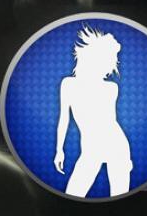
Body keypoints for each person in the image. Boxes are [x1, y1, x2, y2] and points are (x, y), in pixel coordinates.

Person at [54, 26, 132, 197]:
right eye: (110, 59)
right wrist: (59, 150)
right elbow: (64, 120)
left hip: (116, 146)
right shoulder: (68, 84)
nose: (111, 65)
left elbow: (109, 122)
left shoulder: (111, 88)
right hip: (90, 150)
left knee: (120, 198)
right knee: (73, 194)